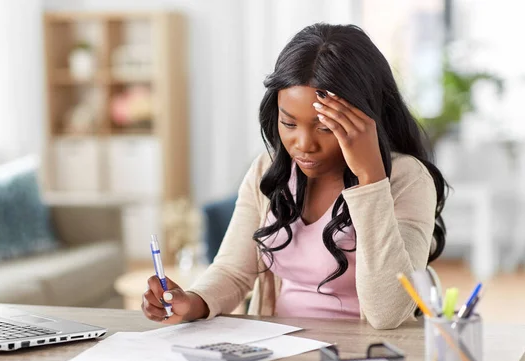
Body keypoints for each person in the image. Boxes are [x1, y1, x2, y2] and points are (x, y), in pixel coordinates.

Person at [142, 23, 448, 330]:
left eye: (326, 127)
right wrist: (192, 302)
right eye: (289, 124)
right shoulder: (269, 169)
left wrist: (370, 179)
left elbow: (388, 313)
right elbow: (234, 271)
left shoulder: (408, 179)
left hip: (364, 359)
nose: (304, 145)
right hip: (279, 351)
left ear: (367, 120)